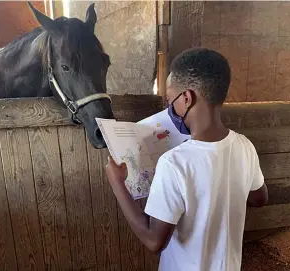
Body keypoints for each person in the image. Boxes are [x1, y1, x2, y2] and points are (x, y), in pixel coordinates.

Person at [105, 48, 268, 271]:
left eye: (170, 99)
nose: (168, 107)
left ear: (186, 98)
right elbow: (259, 199)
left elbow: (154, 241)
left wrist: (118, 185)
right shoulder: (244, 145)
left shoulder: (174, 162)